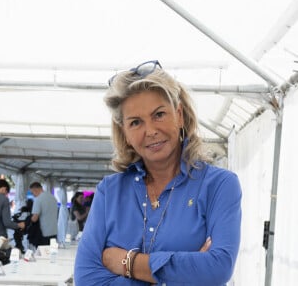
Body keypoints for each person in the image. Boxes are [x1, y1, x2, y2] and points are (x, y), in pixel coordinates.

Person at [74, 60, 242, 285]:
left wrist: (129, 263)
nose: (150, 131)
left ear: (179, 115)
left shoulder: (219, 185)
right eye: (135, 122)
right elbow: (86, 280)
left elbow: (218, 268)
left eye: (159, 115)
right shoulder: (109, 191)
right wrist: (184, 274)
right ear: (124, 132)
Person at [29, 182, 58, 246]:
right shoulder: (53, 197)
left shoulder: (38, 199)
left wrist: (28, 219)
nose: (33, 195)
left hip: (44, 232)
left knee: (43, 254)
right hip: (54, 231)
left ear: (35, 190)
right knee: (52, 251)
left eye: (32, 192)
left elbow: (35, 218)